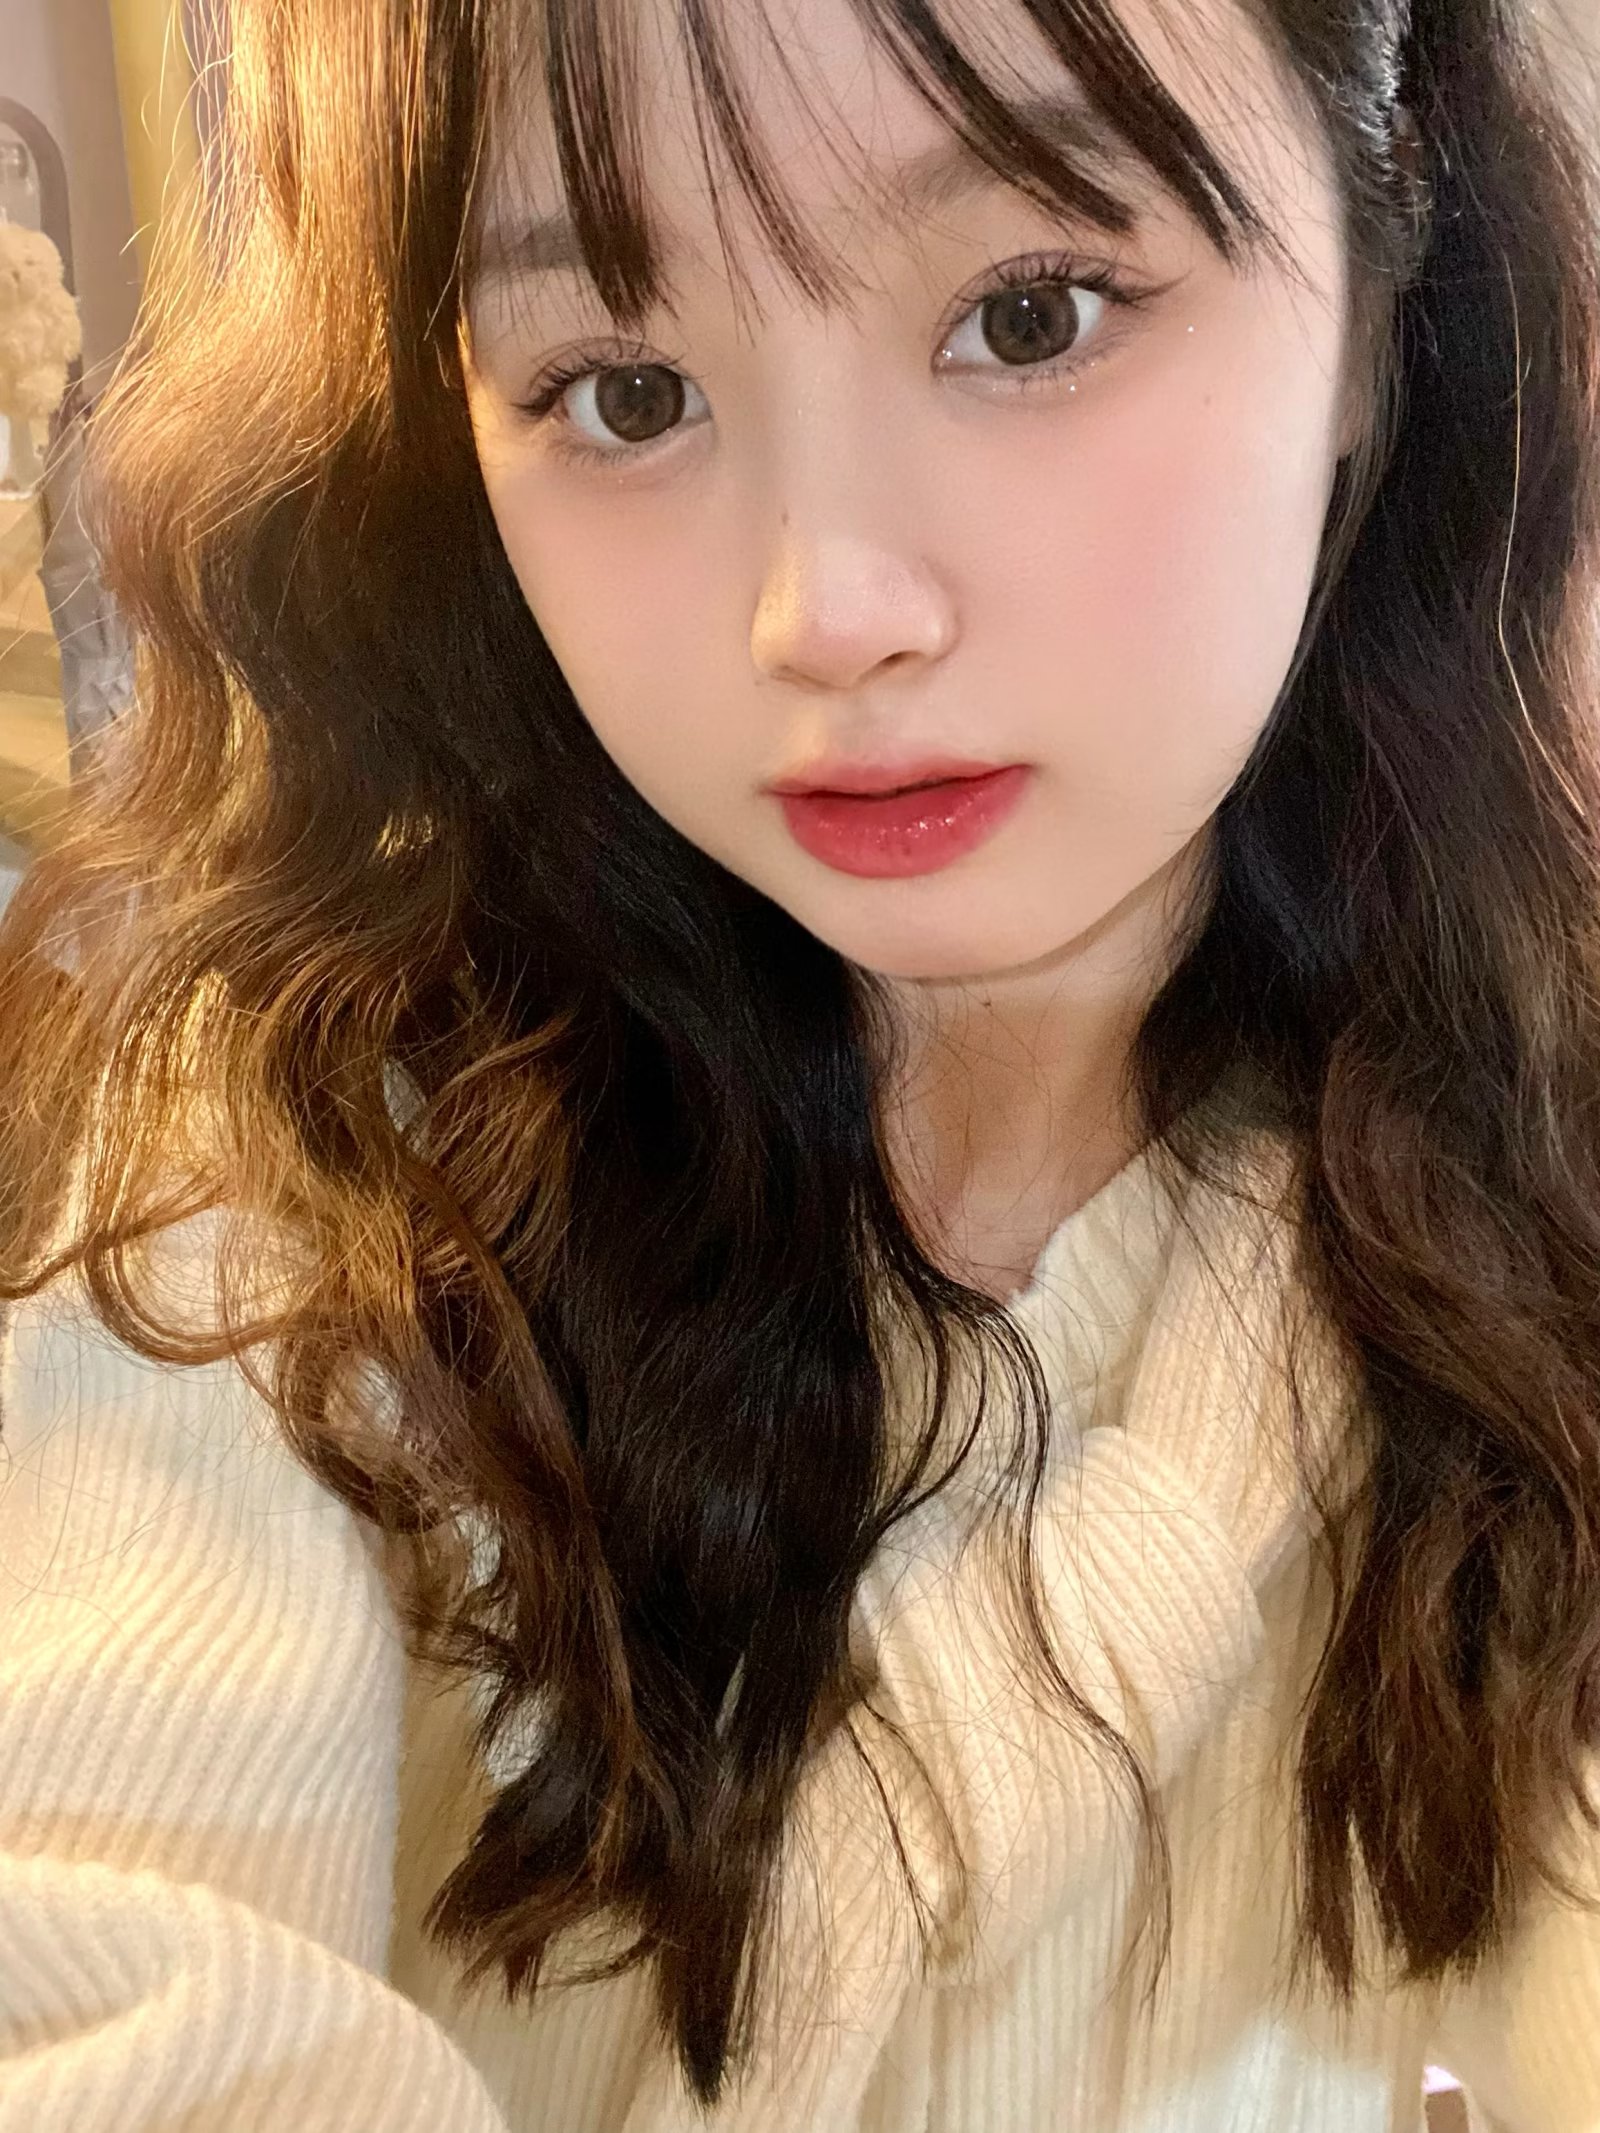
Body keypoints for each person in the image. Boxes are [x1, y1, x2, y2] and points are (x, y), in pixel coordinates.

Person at [0, 0, 1596, 2127]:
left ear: (1375, 312)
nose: (824, 609)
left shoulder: (1548, 1166)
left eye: (1029, 314)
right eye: (625, 390)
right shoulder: (285, 1141)